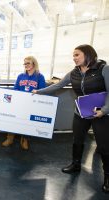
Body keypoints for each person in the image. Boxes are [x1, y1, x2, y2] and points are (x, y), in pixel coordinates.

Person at [33, 44, 109, 193]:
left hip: (101, 113)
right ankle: (75, 165)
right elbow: (59, 85)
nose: (74, 58)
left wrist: (104, 110)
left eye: (77, 55)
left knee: (104, 146)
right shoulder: (73, 73)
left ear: (87, 55)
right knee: (77, 139)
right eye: (73, 55)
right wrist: (39, 91)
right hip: (81, 111)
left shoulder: (103, 69)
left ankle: (108, 176)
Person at [2, 56, 46, 150]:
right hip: (20, 103)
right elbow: (15, 89)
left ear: (34, 64)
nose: (26, 65)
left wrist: (37, 92)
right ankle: (10, 138)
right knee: (13, 120)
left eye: (28, 63)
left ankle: (24, 139)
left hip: (32, 104)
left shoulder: (40, 76)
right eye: (24, 63)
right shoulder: (20, 76)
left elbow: (42, 91)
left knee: (27, 122)